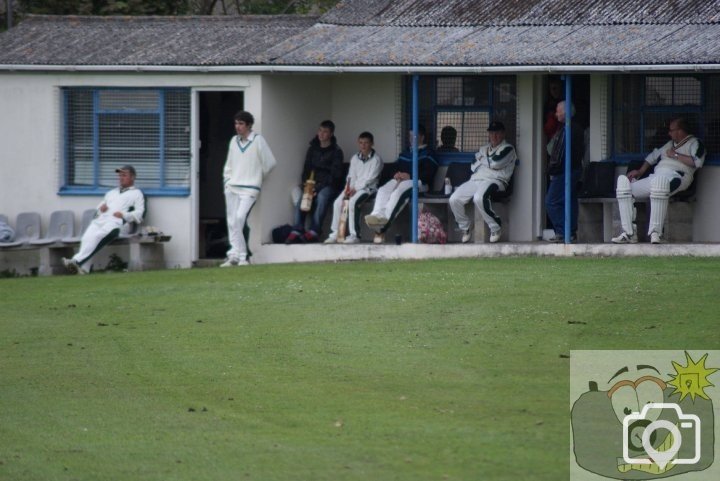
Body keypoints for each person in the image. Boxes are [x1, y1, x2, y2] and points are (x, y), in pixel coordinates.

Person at [611, 118, 705, 244]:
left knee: (659, 187)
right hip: (656, 176)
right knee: (625, 188)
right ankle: (629, 233)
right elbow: (653, 157)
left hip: (677, 176)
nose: (669, 133)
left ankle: (656, 233)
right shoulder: (670, 144)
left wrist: (675, 155)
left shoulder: (695, 143)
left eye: (672, 130)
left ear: (680, 131)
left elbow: (697, 162)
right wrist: (639, 171)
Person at [62, 165, 145, 274]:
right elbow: (98, 209)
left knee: (98, 236)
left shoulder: (137, 194)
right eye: (120, 175)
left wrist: (124, 215)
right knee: (87, 238)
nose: (121, 178)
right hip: (100, 221)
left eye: (124, 175)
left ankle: (76, 261)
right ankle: (83, 269)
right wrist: (101, 209)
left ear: (133, 177)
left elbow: (140, 212)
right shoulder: (111, 193)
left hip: (117, 224)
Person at [364, 125, 438, 244]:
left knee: (397, 193)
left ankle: (382, 229)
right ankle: (376, 217)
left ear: (422, 137)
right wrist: (396, 174)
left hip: (420, 183)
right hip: (401, 180)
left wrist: (411, 176)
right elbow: (396, 167)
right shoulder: (404, 153)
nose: (411, 139)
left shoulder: (429, 153)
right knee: (383, 190)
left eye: (414, 136)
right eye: (409, 136)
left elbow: (429, 174)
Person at [221, 110, 276, 267]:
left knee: (239, 218)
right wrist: (227, 181)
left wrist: (257, 178)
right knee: (232, 221)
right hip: (232, 186)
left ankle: (243, 256)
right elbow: (229, 163)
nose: (237, 127)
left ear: (249, 125)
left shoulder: (258, 140)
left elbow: (270, 163)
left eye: (241, 124)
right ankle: (234, 255)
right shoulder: (233, 141)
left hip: (250, 188)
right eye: (236, 123)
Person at [449, 121, 517, 243]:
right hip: (476, 179)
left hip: (496, 181)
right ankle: (465, 227)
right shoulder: (484, 148)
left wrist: (483, 159)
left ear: (503, 134)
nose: (494, 136)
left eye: (497, 133)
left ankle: (495, 227)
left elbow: (496, 163)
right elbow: (473, 166)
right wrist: (487, 161)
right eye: (492, 133)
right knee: (454, 199)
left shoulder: (508, 148)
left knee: (479, 198)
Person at [286, 120, 345, 244]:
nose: (321, 134)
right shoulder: (312, 149)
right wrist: (306, 185)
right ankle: (297, 229)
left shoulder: (336, 151)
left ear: (331, 134)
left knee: (322, 197)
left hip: (330, 185)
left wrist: (317, 188)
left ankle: (314, 231)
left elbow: (335, 175)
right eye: (320, 130)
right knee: (303, 196)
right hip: (312, 184)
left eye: (325, 131)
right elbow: (306, 170)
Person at [324, 131, 383, 244]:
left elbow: (370, 179)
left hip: (369, 189)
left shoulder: (377, 159)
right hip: (353, 188)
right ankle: (335, 234)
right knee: (337, 203)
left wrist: (355, 189)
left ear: (372, 143)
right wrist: (348, 189)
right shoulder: (355, 158)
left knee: (352, 203)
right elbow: (351, 176)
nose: (363, 145)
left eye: (366, 143)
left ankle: (355, 235)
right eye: (361, 143)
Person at [545, 101, 584, 242]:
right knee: (571, 200)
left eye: (558, 111)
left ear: (565, 112)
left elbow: (558, 153)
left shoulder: (567, 129)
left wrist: (551, 169)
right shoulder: (577, 128)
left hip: (565, 171)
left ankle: (562, 232)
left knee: (551, 201)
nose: (556, 114)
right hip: (575, 170)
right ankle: (571, 232)